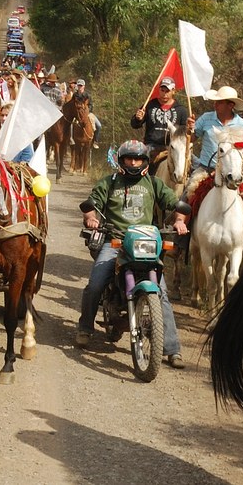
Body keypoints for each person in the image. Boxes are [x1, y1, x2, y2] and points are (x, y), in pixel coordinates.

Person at [75, 140, 189, 368]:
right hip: (114, 241)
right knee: (96, 283)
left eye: (138, 159)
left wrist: (179, 220)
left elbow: (176, 204)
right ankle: (85, 327)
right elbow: (92, 204)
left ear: (145, 161)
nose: (134, 163)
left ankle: (172, 349)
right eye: (129, 158)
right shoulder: (110, 182)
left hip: (145, 241)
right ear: (121, 160)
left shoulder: (153, 184)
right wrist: (91, 217)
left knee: (162, 293)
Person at [183, 86, 243, 196]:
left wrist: (242, 149)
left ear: (230, 105)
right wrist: (189, 129)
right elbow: (192, 138)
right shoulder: (205, 118)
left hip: (233, 171)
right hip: (205, 170)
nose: (215, 104)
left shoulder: (242, 124)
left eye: (220, 102)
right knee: (185, 200)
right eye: (215, 101)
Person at [132, 76, 190, 167]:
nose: (164, 94)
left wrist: (190, 127)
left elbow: (185, 132)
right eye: (162, 90)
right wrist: (138, 118)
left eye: (167, 91)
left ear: (173, 91)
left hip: (173, 146)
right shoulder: (150, 105)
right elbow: (134, 124)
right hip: (151, 145)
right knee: (138, 164)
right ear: (159, 90)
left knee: (192, 163)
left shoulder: (181, 109)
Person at [75, 78, 103, 149]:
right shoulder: (75, 95)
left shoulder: (87, 95)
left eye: (81, 86)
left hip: (88, 113)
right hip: (77, 114)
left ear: (84, 86)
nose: (80, 87)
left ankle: (95, 141)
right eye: (79, 85)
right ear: (77, 86)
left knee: (99, 125)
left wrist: (86, 111)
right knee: (71, 125)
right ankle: (71, 139)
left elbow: (91, 105)